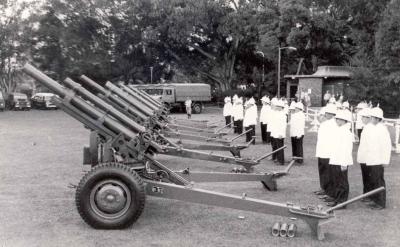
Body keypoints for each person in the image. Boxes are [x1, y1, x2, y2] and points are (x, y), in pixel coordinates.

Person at [362, 107, 391, 209]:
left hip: (379, 160)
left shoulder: (383, 129)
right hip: (370, 159)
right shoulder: (369, 127)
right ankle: (374, 199)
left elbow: (387, 146)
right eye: (372, 117)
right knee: (372, 180)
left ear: (379, 119)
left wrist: (385, 160)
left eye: (375, 118)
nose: (372, 119)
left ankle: (380, 203)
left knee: (378, 181)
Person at [326, 109, 354, 207]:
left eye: (338, 119)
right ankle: (337, 199)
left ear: (343, 120)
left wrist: (344, 163)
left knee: (342, 182)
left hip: (341, 160)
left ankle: (342, 202)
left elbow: (346, 149)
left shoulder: (346, 132)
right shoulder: (340, 130)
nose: (336, 121)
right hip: (335, 159)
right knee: (336, 180)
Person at [314, 104, 337, 197]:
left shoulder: (333, 124)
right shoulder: (325, 123)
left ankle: (328, 190)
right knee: (322, 170)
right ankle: (323, 187)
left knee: (327, 172)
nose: (324, 115)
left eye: (327, 113)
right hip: (321, 150)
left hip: (328, 152)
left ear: (331, 114)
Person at [356, 107, 372, 197]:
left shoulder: (371, 129)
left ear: (369, 118)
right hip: (364, 158)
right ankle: (366, 194)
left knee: (370, 178)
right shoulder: (365, 128)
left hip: (369, 158)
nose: (362, 119)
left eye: (364, 117)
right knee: (365, 177)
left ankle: (371, 196)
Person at [270, 99, 286, 165]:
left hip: (280, 134)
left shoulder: (283, 115)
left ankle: (281, 161)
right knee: (276, 146)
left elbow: (283, 125)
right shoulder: (277, 113)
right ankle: (277, 158)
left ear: (281, 107)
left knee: (280, 147)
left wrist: (281, 134)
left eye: (277, 106)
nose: (276, 107)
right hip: (275, 133)